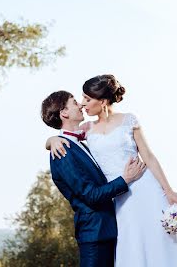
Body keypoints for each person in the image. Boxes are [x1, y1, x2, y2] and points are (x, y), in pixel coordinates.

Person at [47, 75, 177, 266]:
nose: (83, 104)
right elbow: (68, 138)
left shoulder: (129, 120)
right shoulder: (87, 128)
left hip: (146, 188)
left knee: (159, 242)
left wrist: (168, 191)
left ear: (102, 101)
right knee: (132, 246)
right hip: (119, 196)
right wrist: (51, 141)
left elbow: (149, 157)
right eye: (81, 99)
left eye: (87, 99)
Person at [41, 90, 146, 267]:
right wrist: (125, 179)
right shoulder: (63, 152)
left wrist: (50, 139)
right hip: (95, 234)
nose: (81, 104)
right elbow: (90, 195)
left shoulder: (79, 143)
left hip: (108, 230)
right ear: (64, 113)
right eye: (74, 102)